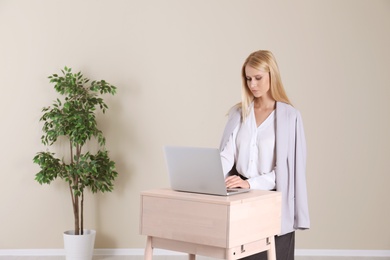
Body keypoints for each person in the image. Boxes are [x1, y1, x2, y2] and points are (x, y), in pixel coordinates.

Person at [219, 50, 310, 260]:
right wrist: (211, 178)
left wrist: (250, 184)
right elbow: (227, 155)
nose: (252, 84)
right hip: (240, 197)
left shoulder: (289, 117)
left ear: (272, 76)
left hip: (272, 198)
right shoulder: (239, 113)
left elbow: (287, 171)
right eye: (248, 78)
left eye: (258, 78)